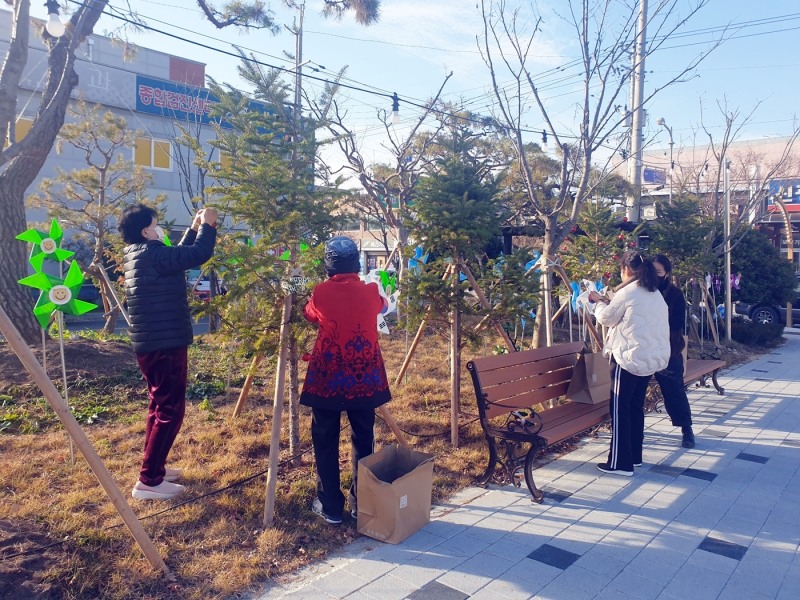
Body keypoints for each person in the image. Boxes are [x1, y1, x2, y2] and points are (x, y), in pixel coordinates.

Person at [119, 204, 218, 500]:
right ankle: (149, 481)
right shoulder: (152, 253)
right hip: (164, 344)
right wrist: (209, 225)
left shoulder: (141, 254)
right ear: (146, 231)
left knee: (158, 406)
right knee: (170, 410)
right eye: (156, 224)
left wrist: (193, 227)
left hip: (153, 343)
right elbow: (196, 255)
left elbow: (177, 257)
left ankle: (154, 467)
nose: (159, 227)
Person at [300, 236, 391, 525]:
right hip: (365, 377)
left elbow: (309, 314)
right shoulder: (371, 291)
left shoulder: (321, 292)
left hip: (328, 378)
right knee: (363, 438)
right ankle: (360, 502)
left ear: (328, 265)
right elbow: (383, 306)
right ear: (357, 263)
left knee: (324, 438)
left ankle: (330, 506)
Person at [589, 250, 670, 476]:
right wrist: (609, 301)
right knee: (635, 408)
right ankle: (634, 457)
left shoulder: (628, 292)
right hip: (647, 359)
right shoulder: (654, 293)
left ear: (625, 269)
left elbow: (606, 318)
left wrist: (597, 303)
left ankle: (619, 463)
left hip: (627, 359)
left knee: (619, 409)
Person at [651, 254, 695, 448]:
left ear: (666, 273)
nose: (654, 276)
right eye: (651, 271)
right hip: (643, 348)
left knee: (674, 390)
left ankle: (687, 429)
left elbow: (678, 323)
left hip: (668, 347)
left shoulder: (675, 294)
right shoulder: (642, 291)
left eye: (658, 272)